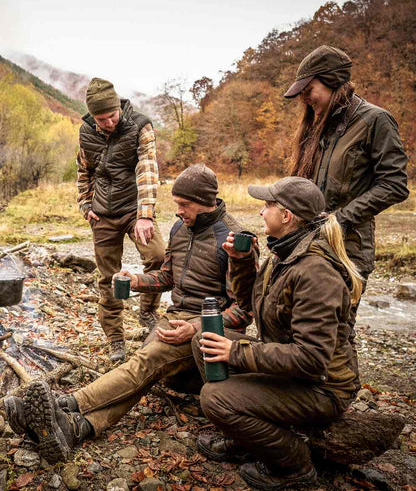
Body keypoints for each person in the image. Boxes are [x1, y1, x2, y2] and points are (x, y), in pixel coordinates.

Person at [4, 164, 252, 465]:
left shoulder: (233, 239)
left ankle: (66, 404)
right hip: (175, 317)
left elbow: (244, 310)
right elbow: (167, 277)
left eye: (185, 205)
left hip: (207, 328)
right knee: (142, 369)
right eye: (176, 204)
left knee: (144, 363)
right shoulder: (179, 229)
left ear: (206, 201)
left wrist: (197, 326)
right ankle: (75, 427)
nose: (178, 212)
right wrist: (137, 281)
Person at [193, 177, 363, 490]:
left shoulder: (315, 271)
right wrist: (242, 263)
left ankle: (294, 464)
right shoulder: (284, 254)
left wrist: (237, 353)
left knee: (214, 397)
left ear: (286, 216)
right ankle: (249, 436)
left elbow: (312, 359)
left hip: (323, 388)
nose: (261, 212)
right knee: (202, 340)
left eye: (267, 205)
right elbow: (250, 304)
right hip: (290, 370)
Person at [284, 45, 408, 283]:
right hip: (307, 245)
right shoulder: (316, 124)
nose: (304, 98)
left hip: (348, 251)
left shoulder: (375, 120)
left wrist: (339, 220)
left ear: (332, 81)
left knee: (333, 321)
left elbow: (395, 184)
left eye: (309, 90)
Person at [77, 77, 165, 361]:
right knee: (107, 278)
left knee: (159, 256)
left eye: (112, 116)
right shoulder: (86, 132)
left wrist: (145, 214)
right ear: (93, 116)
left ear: (119, 108)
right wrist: (85, 204)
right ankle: (115, 339)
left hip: (133, 209)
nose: (109, 123)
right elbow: (84, 171)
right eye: (101, 119)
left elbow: (148, 168)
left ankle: (148, 312)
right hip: (102, 213)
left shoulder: (140, 125)